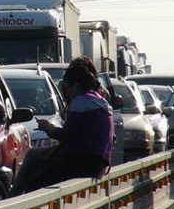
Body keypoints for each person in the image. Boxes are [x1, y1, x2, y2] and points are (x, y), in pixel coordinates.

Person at [9, 56, 114, 197]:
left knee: (34, 165)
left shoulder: (81, 101)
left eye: (67, 87)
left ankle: (12, 199)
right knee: (36, 156)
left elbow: (66, 135)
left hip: (82, 160)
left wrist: (48, 128)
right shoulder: (100, 100)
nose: (68, 92)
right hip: (98, 163)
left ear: (76, 85)